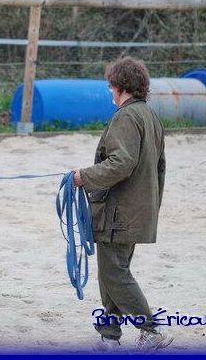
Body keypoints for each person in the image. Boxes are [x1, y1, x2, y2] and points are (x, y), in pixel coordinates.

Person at [72, 56, 172, 352]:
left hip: (120, 212)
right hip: (137, 209)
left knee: (114, 273)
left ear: (118, 86)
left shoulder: (127, 117)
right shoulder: (150, 116)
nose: (110, 91)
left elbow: (121, 163)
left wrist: (83, 177)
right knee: (113, 271)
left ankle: (150, 330)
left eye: (110, 86)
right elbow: (159, 168)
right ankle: (109, 336)